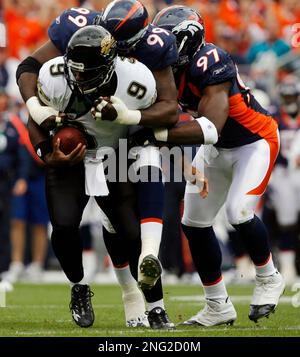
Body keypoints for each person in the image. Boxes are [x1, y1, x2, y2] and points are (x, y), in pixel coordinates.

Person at [16, 2, 179, 329]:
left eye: (85, 72)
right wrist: (46, 150)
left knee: (131, 234)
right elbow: (37, 116)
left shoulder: (137, 79)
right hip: (71, 159)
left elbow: (168, 112)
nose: (77, 76)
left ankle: (156, 308)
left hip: (114, 157)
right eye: (73, 68)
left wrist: (130, 119)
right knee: (62, 225)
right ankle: (78, 287)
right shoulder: (54, 75)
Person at [144, 5, 284, 325]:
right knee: (193, 221)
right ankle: (217, 305)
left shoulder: (211, 59)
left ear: (187, 40)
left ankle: (269, 276)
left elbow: (211, 126)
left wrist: (153, 132)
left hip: (254, 141)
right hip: (216, 149)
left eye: (168, 41)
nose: (161, 48)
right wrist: (180, 160)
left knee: (239, 212)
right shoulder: (163, 70)